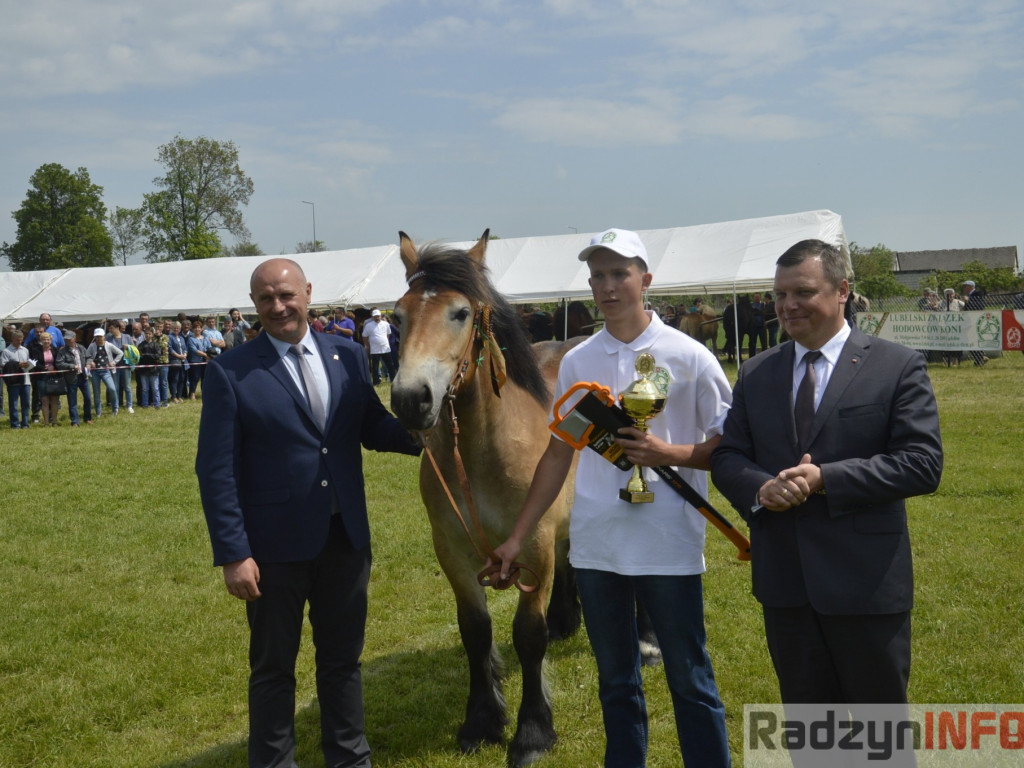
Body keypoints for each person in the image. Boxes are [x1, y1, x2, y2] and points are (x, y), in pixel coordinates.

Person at [491, 228, 733, 767]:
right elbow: (558, 455)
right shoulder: (580, 362)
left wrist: (669, 453)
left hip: (668, 544)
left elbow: (729, 447)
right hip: (597, 550)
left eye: (619, 273)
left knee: (690, 680)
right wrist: (516, 537)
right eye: (597, 275)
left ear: (645, 280)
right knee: (616, 683)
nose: (607, 285)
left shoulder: (688, 357)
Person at [195, 258, 420, 768]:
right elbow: (216, 471)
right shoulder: (230, 372)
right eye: (266, 299)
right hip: (272, 551)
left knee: (342, 663)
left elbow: (372, 426)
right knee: (273, 669)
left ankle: (349, 758)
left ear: (308, 293)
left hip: (345, 540)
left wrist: (424, 435)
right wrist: (234, 554)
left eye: (287, 295)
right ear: (254, 304)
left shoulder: (347, 355)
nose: (279, 306)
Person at [710, 239, 943, 709]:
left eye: (803, 292)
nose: (787, 306)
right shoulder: (756, 373)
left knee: (880, 737)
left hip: (866, 585)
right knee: (813, 730)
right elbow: (728, 456)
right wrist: (763, 488)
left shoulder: (896, 366)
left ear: (842, 291)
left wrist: (825, 480)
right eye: (779, 295)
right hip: (786, 586)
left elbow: (922, 462)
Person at [57, 330, 92, 425]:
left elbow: (89, 357)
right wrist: (72, 366)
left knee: (88, 398)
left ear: (74, 339)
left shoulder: (81, 348)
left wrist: (89, 364)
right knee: (72, 400)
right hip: (71, 378)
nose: (67, 341)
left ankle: (87, 418)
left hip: (83, 377)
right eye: (66, 339)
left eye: (69, 339)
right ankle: (75, 421)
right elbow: (59, 363)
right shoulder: (62, 351)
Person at [2, 330, 34, 428]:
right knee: (14, 404)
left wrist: (29, 364)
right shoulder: (6, 351)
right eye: (17, 340)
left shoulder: (25, 350)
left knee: (26, 403)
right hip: (13, 381)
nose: (19, 342)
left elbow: (28, 361)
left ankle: (25, 423)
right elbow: (3, 365)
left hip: (26, 380)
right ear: (12, 339)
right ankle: (15, 424)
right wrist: (17, 364)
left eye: (21, 340)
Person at [88, 328, 123, 417]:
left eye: (100, 336)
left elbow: (120, 353)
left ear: (104, 337)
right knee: (96, 392)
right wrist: (90, 362)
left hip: (106, 371)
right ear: (95, 337)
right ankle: (98, 412)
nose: (99, 338)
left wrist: (114, 362)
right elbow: (86, 356)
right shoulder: (92, 346)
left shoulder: (109, 345)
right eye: (97, 337)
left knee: (112, 389)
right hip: (95, 372)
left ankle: (115, 409)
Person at [361, 309, 396, 385]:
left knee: (390, 365)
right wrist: (367, 345)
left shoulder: (386, 324)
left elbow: (388, 334)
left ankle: (393, 379)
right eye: (375, 317)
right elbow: (364, 336)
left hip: (385, 348)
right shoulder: (368, 325)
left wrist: (384, 341)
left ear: (381, 316)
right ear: (373, 317)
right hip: (374, 349)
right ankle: (376, 382)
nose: (377, 318)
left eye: (378, 316)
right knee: (375, 367)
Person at [961, 280, 988, 366]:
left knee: (975, 340)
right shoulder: (968, 296)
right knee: (968, 341)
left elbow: (980, 306)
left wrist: (968, 301)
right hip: (968, 321)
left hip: (975, 320)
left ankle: (978, 359)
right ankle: (980, 358)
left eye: (965, 286)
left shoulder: (978, 293)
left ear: (971, 286)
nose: (964, 288)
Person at [186, 320, 212, 399]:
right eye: (195, 328)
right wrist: (206, 355)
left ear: (201, 329)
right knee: (195, 378)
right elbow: (194, 350)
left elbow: (209, 348)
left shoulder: (205, 338)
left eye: (199, 328)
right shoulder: (191, 339)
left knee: (204, 378)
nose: (197, 329)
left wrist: (208, 356)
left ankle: (203, 393)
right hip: (195, 362)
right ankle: (192, 393)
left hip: (205, 362)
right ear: (193, 329)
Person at [137, 327, 162, 408]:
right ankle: (145, 404)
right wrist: (150, 356)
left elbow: (158, 356)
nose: (147, 335)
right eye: (146, 334)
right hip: (143, 370)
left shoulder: (156, 345)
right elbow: (140, 356)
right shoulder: (141, 345)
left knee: (155, 388)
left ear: (152, 334)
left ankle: (157, 404)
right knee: (145, 389)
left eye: (149, 334)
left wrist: (147, 355)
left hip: (154, 370)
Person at [940, 288, 964, 367]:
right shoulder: (942, 303)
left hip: (957, 327)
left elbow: (966, 308)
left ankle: (955, 362)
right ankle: (946, 361)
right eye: (948, 295)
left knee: (956, 345)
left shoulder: (958, 302)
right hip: (945, 327)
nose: (950, 296)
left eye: (952, 294)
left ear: (954, 294)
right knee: (946, 345)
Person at [167, 321, 188, 403]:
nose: (176, 329)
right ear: (172, 329)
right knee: (174, 379)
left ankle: (179, 395)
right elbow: (170, 349)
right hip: (174, 361)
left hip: (183, 361)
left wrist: (185, 354)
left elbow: (185, 348)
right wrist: (179, 356)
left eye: (178, 328)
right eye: (175, 328)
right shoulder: (169, 337)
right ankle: (174, 396)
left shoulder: (182, 338)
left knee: (182, 379)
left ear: (180, 329)